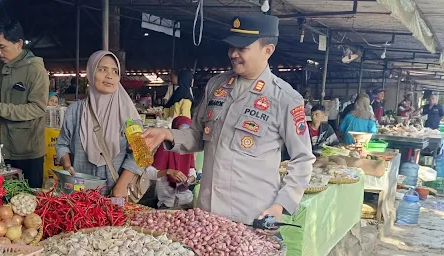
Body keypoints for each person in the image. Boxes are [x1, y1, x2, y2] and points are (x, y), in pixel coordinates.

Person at [142, 14, 314, 236]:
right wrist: (167, 134)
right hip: (208, 216)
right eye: (231, 46)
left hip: (252, 218)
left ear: (267, 50)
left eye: (242, 48)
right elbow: (196, 135)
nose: (233, 54)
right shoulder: (217, 85)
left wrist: (281, 204)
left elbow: (303, 159)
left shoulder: (285, 99)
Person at [55, 50, 144, 197]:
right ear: (90, 73)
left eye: (115, 71)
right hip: (80, 192)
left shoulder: (127, 114)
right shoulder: (75, 111)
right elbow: (62, 144)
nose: (110, 76)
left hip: (116, 193)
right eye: (102, 69)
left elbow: (140, 153)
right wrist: (67, 165)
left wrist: (121, 185)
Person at [0, 20, 49, 188]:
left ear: (19, 44)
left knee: (29, 198)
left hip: (28, 149)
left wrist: (0, 109)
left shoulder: (35, 70)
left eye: (2, 47)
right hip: (5, 145)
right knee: (7, 197)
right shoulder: (1, 66)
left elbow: (38, 108)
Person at [149, 116, 196, 208]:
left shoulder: (189, 148)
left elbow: (193, 171)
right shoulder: (165, 147)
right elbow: (150, 173)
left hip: (187, 201)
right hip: (167, 203)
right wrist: (169, 171)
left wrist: (189, 180)